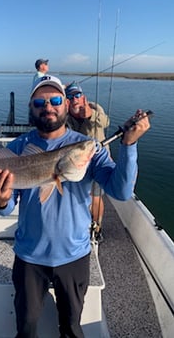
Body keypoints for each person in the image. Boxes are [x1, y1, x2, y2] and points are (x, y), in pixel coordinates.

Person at [0, 75, 150, 337]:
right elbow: (5, 208)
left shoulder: (88, 147)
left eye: (55, 100)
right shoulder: (18, 148)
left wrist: (129, 145)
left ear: (65, 105)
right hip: (29, 256)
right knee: (26, 326)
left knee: (73, 328)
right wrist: (1, 200)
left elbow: (121, 191)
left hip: (74, 255)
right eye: (40, 101)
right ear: (31, 107)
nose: (48, 107)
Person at [65, 81, 110, 241]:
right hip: (77, 164)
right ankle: (78, 225)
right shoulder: (65, 117)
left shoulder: (95, 108)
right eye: (70, 96)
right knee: (78, 196)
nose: (75, 99)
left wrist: (90, 115)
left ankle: (97, 227)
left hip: (97, 162)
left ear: (83, 97)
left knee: (95, 197)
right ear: (66, 101)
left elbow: (106, 122)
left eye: (78, 95)